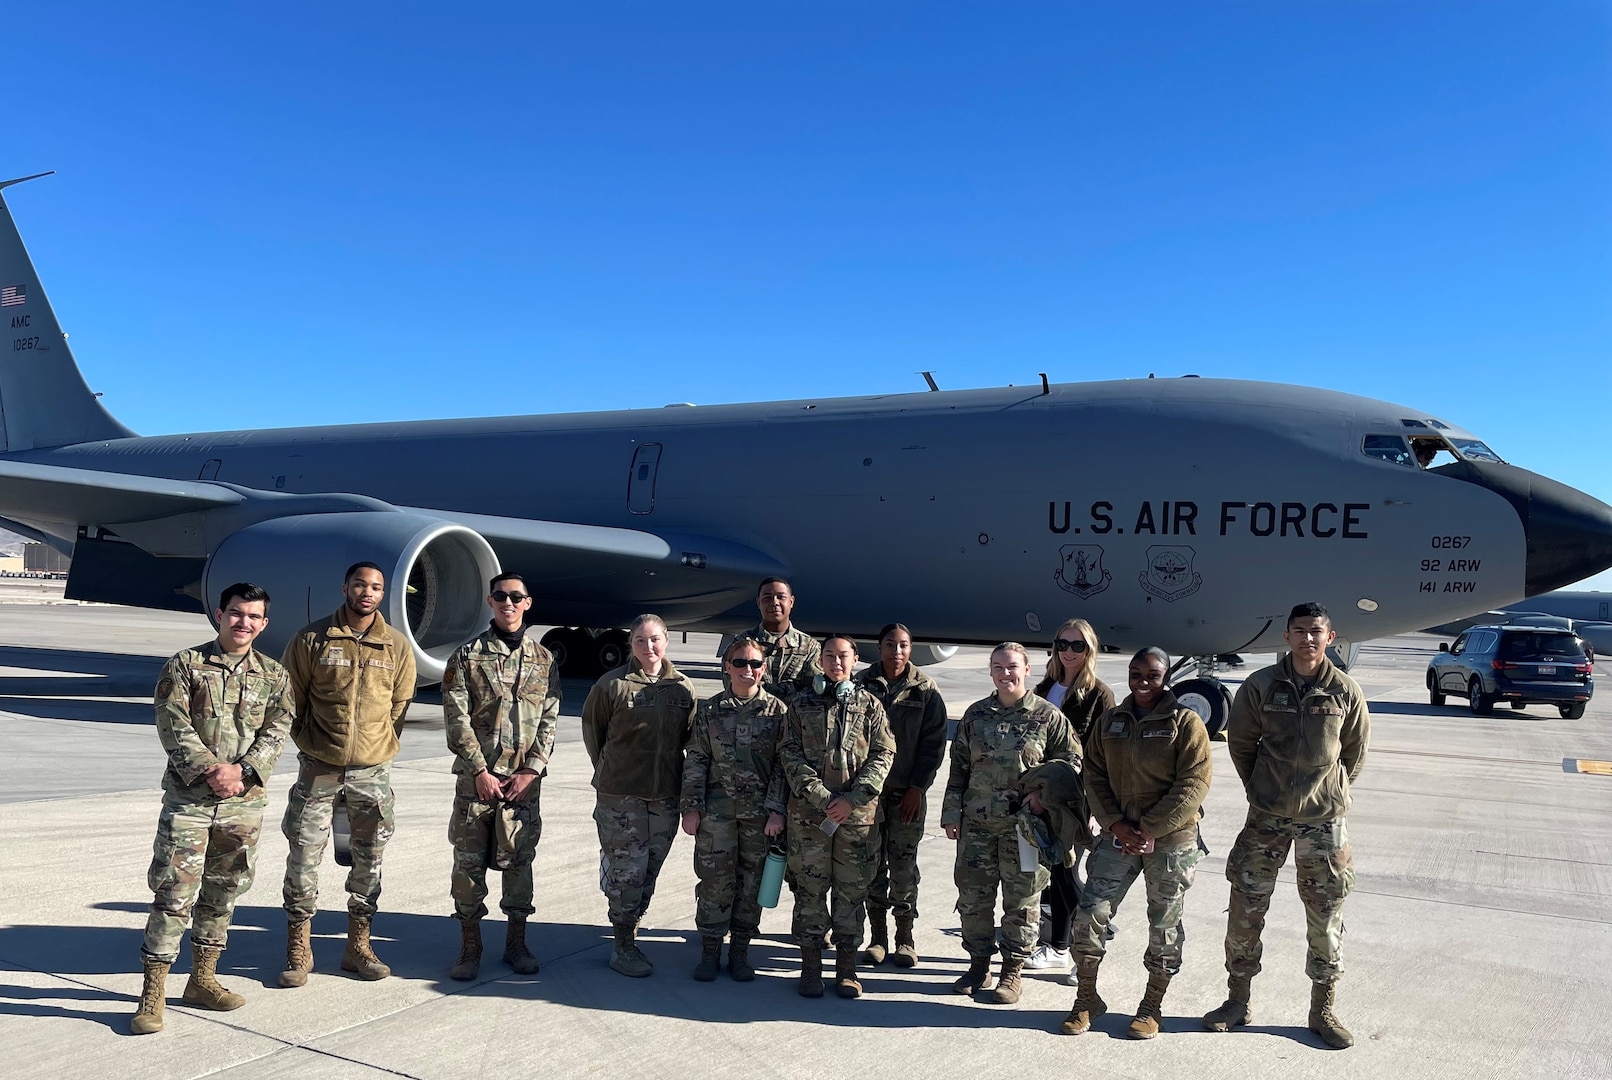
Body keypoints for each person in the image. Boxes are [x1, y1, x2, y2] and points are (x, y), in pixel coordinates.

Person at [1203, 602, 1370, 1050]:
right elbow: (1241, 744)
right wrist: (1264, 788)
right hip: (1267, 817)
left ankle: (1323, 1010)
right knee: (1246, 907)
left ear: (1330, 638)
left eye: (1316, 632)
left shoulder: (1346, 691)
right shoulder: (1261, 686)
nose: (1308, 639)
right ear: (1287, 637)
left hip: (1324, 823)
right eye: (1300, 631)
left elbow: (1353, 753)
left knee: (1326, 914)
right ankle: (1237, 1001)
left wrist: (1327, 793)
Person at [131, 582, 294, 1035]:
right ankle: (153, 993)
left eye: (253, 616)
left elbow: (279, 729)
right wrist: (211, 770)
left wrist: (244, 771)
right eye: (236, 613)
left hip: (244, 803)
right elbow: (172, 721)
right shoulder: (185, 666)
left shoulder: (274, 675)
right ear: (220, 614)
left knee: (225, 890)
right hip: (191, 802)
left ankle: (202, 979)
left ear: (263, 623)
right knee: (174, 892)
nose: (243, 622)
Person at [1059, 647, 1211, 1039]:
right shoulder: (1112, 720)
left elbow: (1194, 783)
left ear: (1166, 677)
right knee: (1089, 913)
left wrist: (1149, 829)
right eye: (1136, 673)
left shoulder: (1185, 722)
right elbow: (1093, 774)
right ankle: (1086, 998)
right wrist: (1114, 823)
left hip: (1170, 841)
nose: (1143, 681)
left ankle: (1151, 1006)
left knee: (1164, 925)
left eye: (1153, 674)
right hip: (1117, 836)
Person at [278, 562, 417, 987]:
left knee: (369, 859)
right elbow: (291, 698)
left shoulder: (395, 645)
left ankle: (358, 945)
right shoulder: (312, 639)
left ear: (383, 593)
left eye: (375, 587)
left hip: (371, 772)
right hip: (320, 768)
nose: (367, 592)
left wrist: (374, 748)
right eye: (360, 584)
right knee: (303, 856)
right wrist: (314, 742)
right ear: (345, 588)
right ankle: (299, 947)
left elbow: (400, 705)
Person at [941, 642, 1077, 1005]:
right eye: (998, 667)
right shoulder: (975, 716)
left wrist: (1043, 798)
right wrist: (951, 814)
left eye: (1012, 667)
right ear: (990, 671)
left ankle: (1012, 971)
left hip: (1026, 830)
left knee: (1022, 901)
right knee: (973, 897)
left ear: (1027, 670)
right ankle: (978, 965)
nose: (1006, 674)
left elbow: (1071, 767)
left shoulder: (1048, 718)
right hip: (977, 827)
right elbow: (959, 770)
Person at [442, 573, 562, 980]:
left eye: (516, 597)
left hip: (522, 785)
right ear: (490, 602)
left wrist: (532, 769)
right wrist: (479, 770)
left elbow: (549, 718)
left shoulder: (544, 660)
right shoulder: (466, 657)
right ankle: (470, 945)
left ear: (528, 603)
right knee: (468, 865)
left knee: (519, 862)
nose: (507, 603)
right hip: (477, 783)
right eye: (500, 597)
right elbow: (456, 719)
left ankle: (516, 941)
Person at [778, 634, 895, 999]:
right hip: (810, 817)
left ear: (856, 659)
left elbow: (883, 754)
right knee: (810, 892)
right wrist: (821, 796)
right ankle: (810, 968)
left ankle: (847, 970)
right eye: (829, 656)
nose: (836, 662)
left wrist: (852, 800)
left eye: (843, 656)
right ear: (820, 661)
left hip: (856, 819)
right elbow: (789, 753)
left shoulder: (870, 705)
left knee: (851, 892)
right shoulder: (799, 705)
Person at [582, 613, 697, 977]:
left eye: (655, 639)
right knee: (628, 872)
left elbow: (691, 741)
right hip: (621, 795)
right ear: (631, 645)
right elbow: (593, 732)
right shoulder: (612, 685)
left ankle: (629, 923)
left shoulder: (683, 689)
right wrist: (611, 770)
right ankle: (623, 944)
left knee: (649, 870)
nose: (649, 647)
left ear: (666, 640)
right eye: (641, 640)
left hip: (664, 795)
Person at [679, 637, 788, 982]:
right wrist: (692, 808)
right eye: (740, 663)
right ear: (727, 667)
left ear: (764, 668)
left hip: (760, 818)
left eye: (755, 663)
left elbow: (783, 767)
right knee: (715, 883)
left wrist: (776, 811)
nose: (748, 670)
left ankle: (740, 951)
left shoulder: (778, 712)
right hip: (717, 815)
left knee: (752, 884)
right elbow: (696, 759)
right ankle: (710, 951)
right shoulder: (710, 710)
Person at [855, 623, 948, 968]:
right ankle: (877, 936)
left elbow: (933, 745)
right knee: (871, 865)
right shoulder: (861, 685)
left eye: (904, 645)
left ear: (911, 650)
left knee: (904, 866)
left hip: (906, 793)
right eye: (890, 645)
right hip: (868, 794)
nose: (897, 651)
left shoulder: (924, 690)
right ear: (878, 648)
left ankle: (905, 937)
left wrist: (916, 788)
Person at [1027, 619, 1115, 975]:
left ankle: (1088, 945)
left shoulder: (1099, 694)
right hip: (1041, 794)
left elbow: (1106, 753)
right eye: (1063, 643)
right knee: (1053, 873)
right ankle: (1060, 947)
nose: (1068, 651)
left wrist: (1096, 805)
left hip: (1076, 799)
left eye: (1077, 645)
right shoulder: (1045, 686)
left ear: (1089, 650)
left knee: (1065, 872)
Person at [736, 577, 822, 697]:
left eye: (781, 597)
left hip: (794, 714)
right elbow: (735, 687)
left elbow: (813, 690)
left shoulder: (810, 647)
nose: (774, 602)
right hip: (752, 714)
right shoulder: (741, 645)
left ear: (791, 602)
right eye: (767, 598)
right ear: (758, 602)